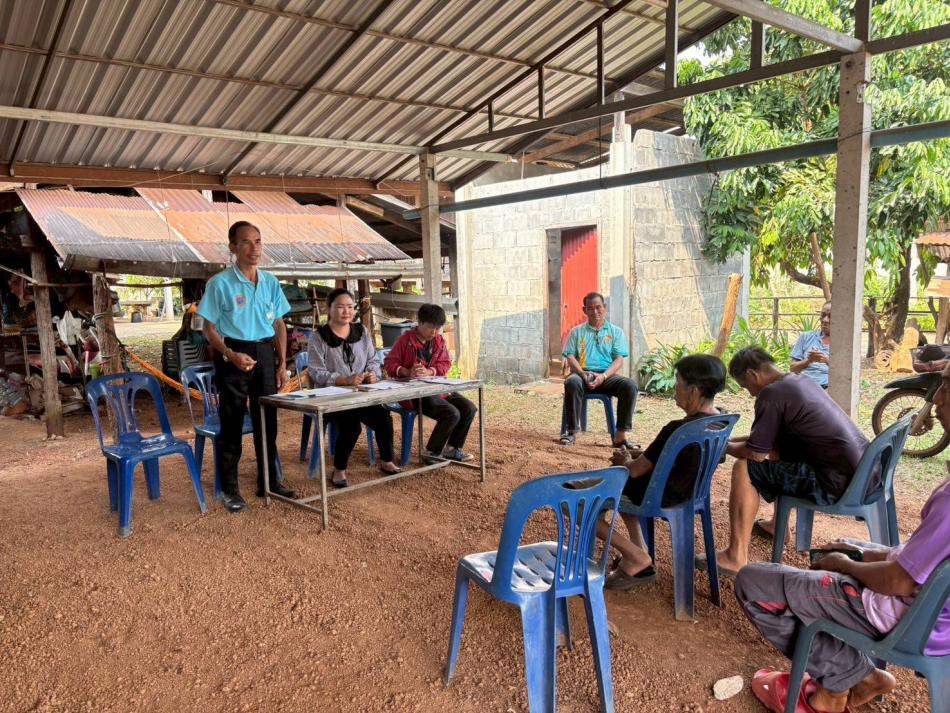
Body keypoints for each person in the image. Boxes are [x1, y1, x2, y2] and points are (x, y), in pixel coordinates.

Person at [735, 360, 950, 713]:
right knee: (845, 552)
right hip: (938, 618)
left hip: (912, 620)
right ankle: (860, 675)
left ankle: (836, 687)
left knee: (752, 582)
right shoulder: (800, 383)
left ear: (753, 377)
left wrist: (846, 565)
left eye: (946, 386)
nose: (937, 397)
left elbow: (898, 581)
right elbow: (921, 560)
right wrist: (866, 552)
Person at [710, 347, 870, 576]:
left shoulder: (771, 394)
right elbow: (768, 444)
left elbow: (755, 454)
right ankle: (777, 526)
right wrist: (727, 440)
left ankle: (735, 556)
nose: (750, 394)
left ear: (753, 375)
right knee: (781, 455)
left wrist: (721, 447)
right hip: (860, 473)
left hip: (834, 483)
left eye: (746, 386)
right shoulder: (801, 381)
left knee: (745, 468)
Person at [598, 354, 729, 590]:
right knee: (622, 484)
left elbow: (637, 471)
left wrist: (627, 459)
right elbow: (670, 455)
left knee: (583, 503)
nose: (675, 390)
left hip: (659, 494)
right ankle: (641, 551)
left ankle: (636, 557)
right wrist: (633, 457)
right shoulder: (721, 420)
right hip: (689, 493)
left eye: (678, 384)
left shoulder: (676, 429)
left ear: (694, 391)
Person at [198, 221, 296, 513]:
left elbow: (279, 324)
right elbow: (208, 328)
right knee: (232, 423)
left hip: (265, 353)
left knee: (268, 421)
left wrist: (281, 363)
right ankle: (230, 488)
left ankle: (268, 482)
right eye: (245, 242)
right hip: (234, 356)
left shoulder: (270, 282)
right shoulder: (219, 283)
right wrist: (229, 353)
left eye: (258, 241)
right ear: (232, 248)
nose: (254, 248)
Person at [308, 288, 401, 488]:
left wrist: (372, 373)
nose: (346, 312)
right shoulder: (318, 337)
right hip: (332, 398)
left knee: (383, 418)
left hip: (361, 395)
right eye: (340, 307)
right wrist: (343, 380)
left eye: (349, 307)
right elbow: (316, 372)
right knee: (351, 425)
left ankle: (387, 461)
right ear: (329, 308)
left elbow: (373, 360)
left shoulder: (362, 332)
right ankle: (339, 470)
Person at [383, 304, 477, 463]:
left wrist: (431, 371)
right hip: (414, 394)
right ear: (419, 322)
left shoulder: (439, 341)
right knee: (451, 413)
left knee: (469, 408)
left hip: (438, 389)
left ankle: (452, 448)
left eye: (437, 328)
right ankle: (432, 452)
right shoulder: (405, 340)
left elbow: (445, 363)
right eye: (430, 328)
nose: (433, 332)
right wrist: (407, 371)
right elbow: (389, 364)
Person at [560, 292, 638, 448]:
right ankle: (571, 432)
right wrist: (582, 373)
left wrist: (603, 376)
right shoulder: (576, 332)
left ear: (605, 308)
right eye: (590, 308)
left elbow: (619, 359)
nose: (595, 312)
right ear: (584, 310)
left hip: (607, 376)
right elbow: (570, 356)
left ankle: (620, 436)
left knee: (630, 386)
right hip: (583, 374)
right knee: (571, 383)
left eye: (598, 307)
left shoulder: (615, 332)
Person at [790, 300, 831, 387]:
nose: (825, 320)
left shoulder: (844, 344)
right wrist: (809, 360)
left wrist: (826, 360)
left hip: (829, 387)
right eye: (823, 315)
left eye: (831, 316)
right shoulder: (806, 337)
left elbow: (846, 373)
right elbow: (793, 369)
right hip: (804, 386)